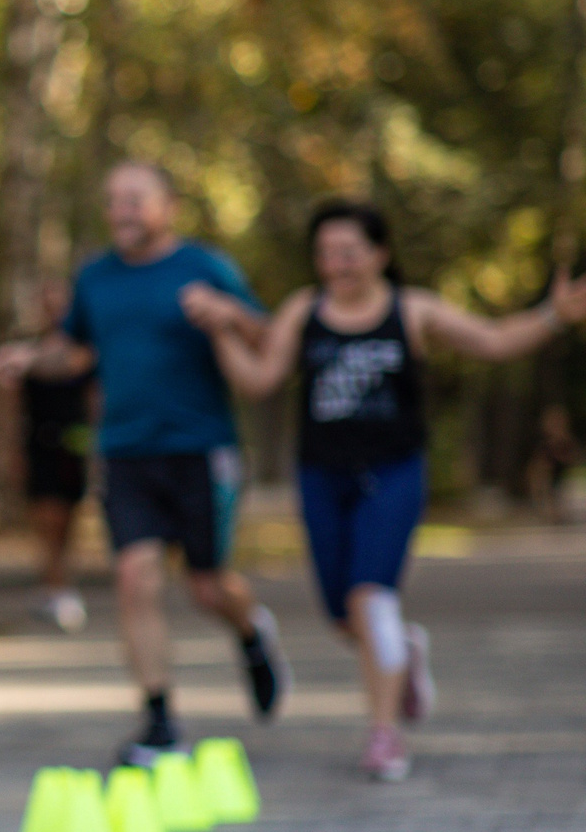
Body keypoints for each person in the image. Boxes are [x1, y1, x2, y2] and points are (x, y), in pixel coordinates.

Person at [184, 201, 586, 780]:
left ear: (379, 254)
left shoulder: (412, 309)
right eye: (326, 253)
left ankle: (384, 734)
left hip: (393, 473)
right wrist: (222, 330)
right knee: (343, 617)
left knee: (369, 598)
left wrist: (554, 315)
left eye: (349, 252)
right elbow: (259, 380)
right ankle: (406, 650)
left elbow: (493, 341)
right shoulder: (303, 310)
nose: (336, 264)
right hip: (322, 478)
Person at [0, 161, 286, 765]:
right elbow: (74, 354)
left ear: (169, 206)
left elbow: (267, 336)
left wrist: (227, 314)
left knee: (207, 585)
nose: (121, 211)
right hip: (124, 451)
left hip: (200, 449)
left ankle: (253, 632)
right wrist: (30, 358)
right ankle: (159, 720)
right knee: (134, 575)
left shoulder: (205, 266)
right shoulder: (95, 277)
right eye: (113, 199)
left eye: (135, 199)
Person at [0, 283, 95, 633]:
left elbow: (93, 399)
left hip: (74, 447)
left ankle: (59, 585)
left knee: (68, 522)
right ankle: (56, 587)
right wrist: (10, 451)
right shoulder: (24, 354)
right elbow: (10, 407)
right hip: (39, 445)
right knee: (47, 520)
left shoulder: (83, 352)